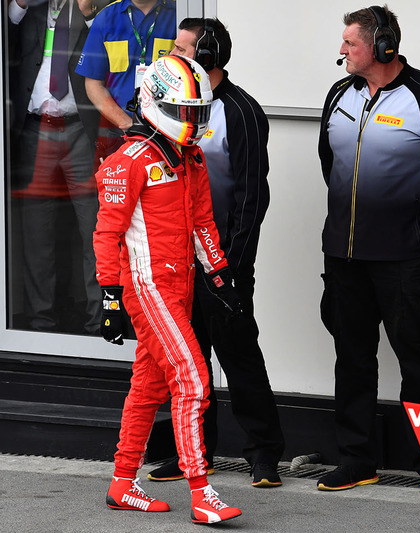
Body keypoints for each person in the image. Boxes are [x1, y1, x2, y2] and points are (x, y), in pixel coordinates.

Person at [318, 5, 420, 496]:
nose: (342, 50)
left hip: (403, 260)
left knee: (417, 359)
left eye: (351, 42)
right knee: (352, 358)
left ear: (382, 45)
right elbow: (330, 164)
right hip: (344, 256)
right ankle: (356, 460)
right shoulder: (339, 94)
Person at [95, 55, 242, 524]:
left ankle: (123, 483)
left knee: (148, 385)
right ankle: (201, 492)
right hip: (148, 286)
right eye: (185, 111)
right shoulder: (127, 161)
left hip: (181, 285)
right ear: (155, 104)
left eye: (199, 112)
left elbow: (203, 223)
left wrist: (220, 276)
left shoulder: (190, 157)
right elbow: (106, 234)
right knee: (193, 381)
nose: (193, 121)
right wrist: (110, 296)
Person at [146, 17, 286, 489]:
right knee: (188, 360)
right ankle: (194, 452)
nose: (172, 56)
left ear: (207, 58)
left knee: (239, 355)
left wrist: (231, 267)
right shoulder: (168, 101)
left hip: (222, 262)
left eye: (182, 49)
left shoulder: (240, 111)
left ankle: (263, 455)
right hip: (175, 258)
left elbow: (252, 196)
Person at [7, 0, 102, 334]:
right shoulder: (29, 9)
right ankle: (40, 322)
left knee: (94, 228)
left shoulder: (91, 6)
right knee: (37, 229)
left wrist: (88, 12)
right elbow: (8, 38)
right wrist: (19, 4)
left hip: (81, 131)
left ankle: (99, 321)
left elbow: (107, 47)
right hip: (35, 131)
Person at [76, 0, 176, 160]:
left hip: (169, 133)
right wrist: (128, 125)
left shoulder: (178, 14)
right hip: (120, 135)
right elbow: (93, 85)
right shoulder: (106, 17)